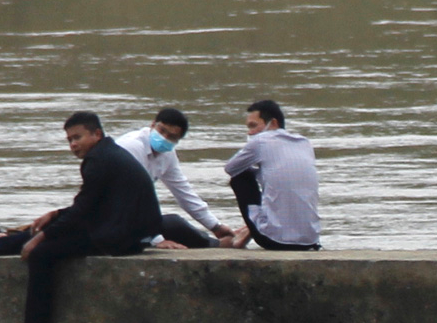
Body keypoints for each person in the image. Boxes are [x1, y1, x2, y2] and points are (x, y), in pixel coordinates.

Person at [0, 111, 160, 323]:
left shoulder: (99, 160)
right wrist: (55, 215)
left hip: (123, 237)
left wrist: (42, 237)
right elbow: (89, 205)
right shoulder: (107, 154)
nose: (73, 145)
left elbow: (83, 211)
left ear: (97, 134)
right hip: (123, 229)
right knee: (46, 229)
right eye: (69, 140)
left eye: (78, 137)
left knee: (42, 253)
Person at [113, 107, 236, 249]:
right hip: (113, 216)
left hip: (131, 217)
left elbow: (183, 192)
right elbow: (131, 197)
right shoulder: (132, 147)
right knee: (173, 224)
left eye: (171, 137)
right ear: (153, 125)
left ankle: (217, 242)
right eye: (162, 131)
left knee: (175, 224)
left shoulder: (167, 154)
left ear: (178, 140)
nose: (164, 138)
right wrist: (157, 239)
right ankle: (222, 245)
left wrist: (215, 226)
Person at [222, 99, 321, 250]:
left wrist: (258, 172)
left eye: (253, 126)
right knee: (279, 183)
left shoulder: (261, 140)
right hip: (311, 239)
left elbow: (231, 168)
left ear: (273, 124)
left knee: (240, 178)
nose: (250, 132)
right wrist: (264, 172)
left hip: (275, 240)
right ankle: (253, 226)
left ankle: (247, 233)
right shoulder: (304, 142)